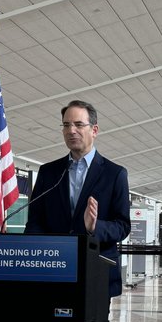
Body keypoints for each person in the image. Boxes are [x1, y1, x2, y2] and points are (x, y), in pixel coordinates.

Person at [24, 100, 131, 297]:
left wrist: (94, 227)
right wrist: (33, 252)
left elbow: (123, 225)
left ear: (94, 130)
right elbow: (35, 221)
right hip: (53, 271)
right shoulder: (49, 172)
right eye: (66, 125)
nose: (71, 130)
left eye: (78, 125)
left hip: (95, 271)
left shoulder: (115, 174)